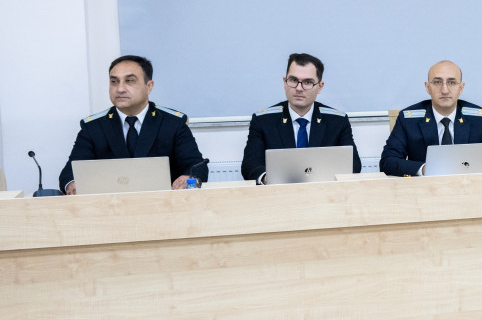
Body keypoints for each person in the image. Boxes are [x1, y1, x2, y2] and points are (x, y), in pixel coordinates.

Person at [59, 55, 208, 194]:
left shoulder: (172, 123)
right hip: (110, 205)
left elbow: (196, 165)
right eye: (114, 81)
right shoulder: (94, 127)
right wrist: (72, 184)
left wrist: (190, 177)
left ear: (149, 86)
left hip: (162, 204)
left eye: (129, 81)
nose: (120, 89)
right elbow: (70, 172)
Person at [380, 60, 482, 176]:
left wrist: (464, 167)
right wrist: (425, 169)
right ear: (427, 87)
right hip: (425, 191)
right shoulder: (408, 119)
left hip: (468, 189)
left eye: (451, 82)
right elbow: (387, 162)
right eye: (437, 82)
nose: (444, 90)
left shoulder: (479, 118)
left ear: (461, 88)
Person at [241, 53, 361, 183]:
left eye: (307, 82)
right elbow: (250, 165)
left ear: (320, 87)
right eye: (293, 80)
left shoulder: (337, 121)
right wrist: (267, 179)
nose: (299, 88)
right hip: (279, 191)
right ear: (284, 82)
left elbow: (353, 165)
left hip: (324, 190)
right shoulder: (263, 121)